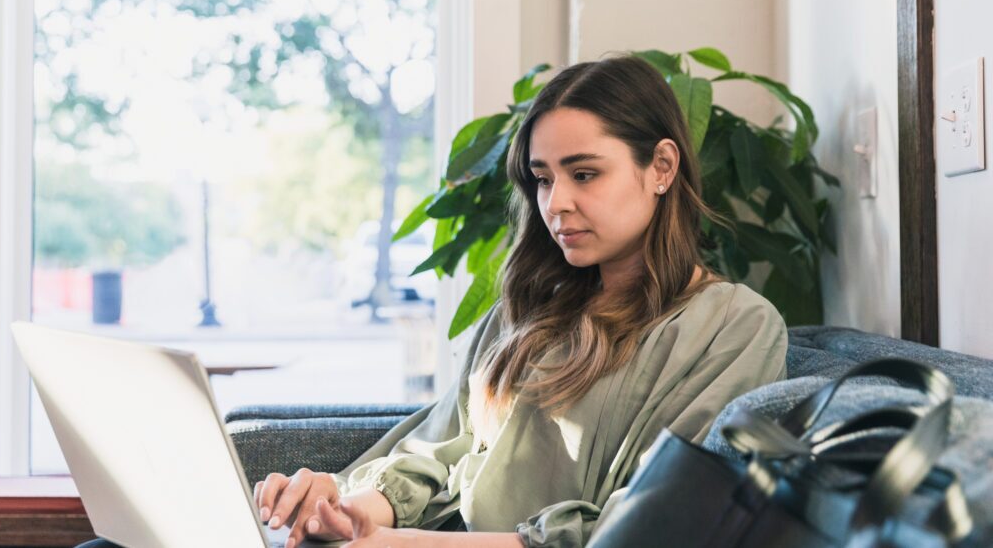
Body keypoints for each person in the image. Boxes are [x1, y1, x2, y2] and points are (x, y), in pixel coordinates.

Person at [78, 55, 787, 548]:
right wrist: (353, 511)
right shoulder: (530, 311)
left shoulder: (734, 327)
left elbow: (643, 525)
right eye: (541, 178)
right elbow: (440, 452)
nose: (556, 203)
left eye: (584, 173)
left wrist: (402, 542)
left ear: (661, 167)